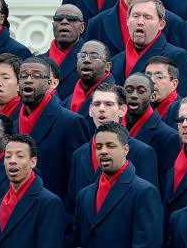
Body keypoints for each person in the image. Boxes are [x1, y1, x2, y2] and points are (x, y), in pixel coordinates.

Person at [66, 85, 159, 214]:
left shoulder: (142, 152)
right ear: (90, 110)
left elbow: (148, 205)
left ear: (122, 110)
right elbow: (72, 206)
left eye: (108, 104)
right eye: (97, 104)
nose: (102, 109)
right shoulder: (79, 154)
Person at [72, 121, 163, 248]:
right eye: (98, 147)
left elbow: (148, 243)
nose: (103, 151)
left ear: (125, 149)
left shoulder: (145, 192)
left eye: (110, 146)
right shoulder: (84, 195)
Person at [13, 56, 89, 200]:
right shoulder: (14, 126)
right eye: (23, 76)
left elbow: (79, 178)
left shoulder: (70, 122)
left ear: (49, 84)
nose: (28, 80)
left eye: (36, 76)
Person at [0, 134, 66, 248]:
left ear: (33, 162)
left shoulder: (49, 203)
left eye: (20, 156)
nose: (12, 161)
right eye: (8, 156)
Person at [109, 0, 187, 96]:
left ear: (161, 24)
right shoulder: (115, 61)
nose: (140, 22)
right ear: (127, 20)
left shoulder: (179, 57)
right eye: (135, 16)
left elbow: (182, 100)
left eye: (147, 17)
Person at [123, 72, 181, 178]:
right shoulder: (114, 130)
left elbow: (166, 182)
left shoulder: (169, 137)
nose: (134, 95)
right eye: (129, 90)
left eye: (141, 91)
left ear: (152, 96)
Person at [42, 4, 85, 99]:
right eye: (58, 19)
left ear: (82, 27)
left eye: (71, 19)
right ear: (53, 25)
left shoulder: (91, 61)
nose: (64, 22)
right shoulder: (38, 61)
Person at [70, 40, 113, 122]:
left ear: (107, 66)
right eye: (82, 56)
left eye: (94, 56)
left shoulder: (116, 99)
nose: (86, 60)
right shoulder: (67, 102)